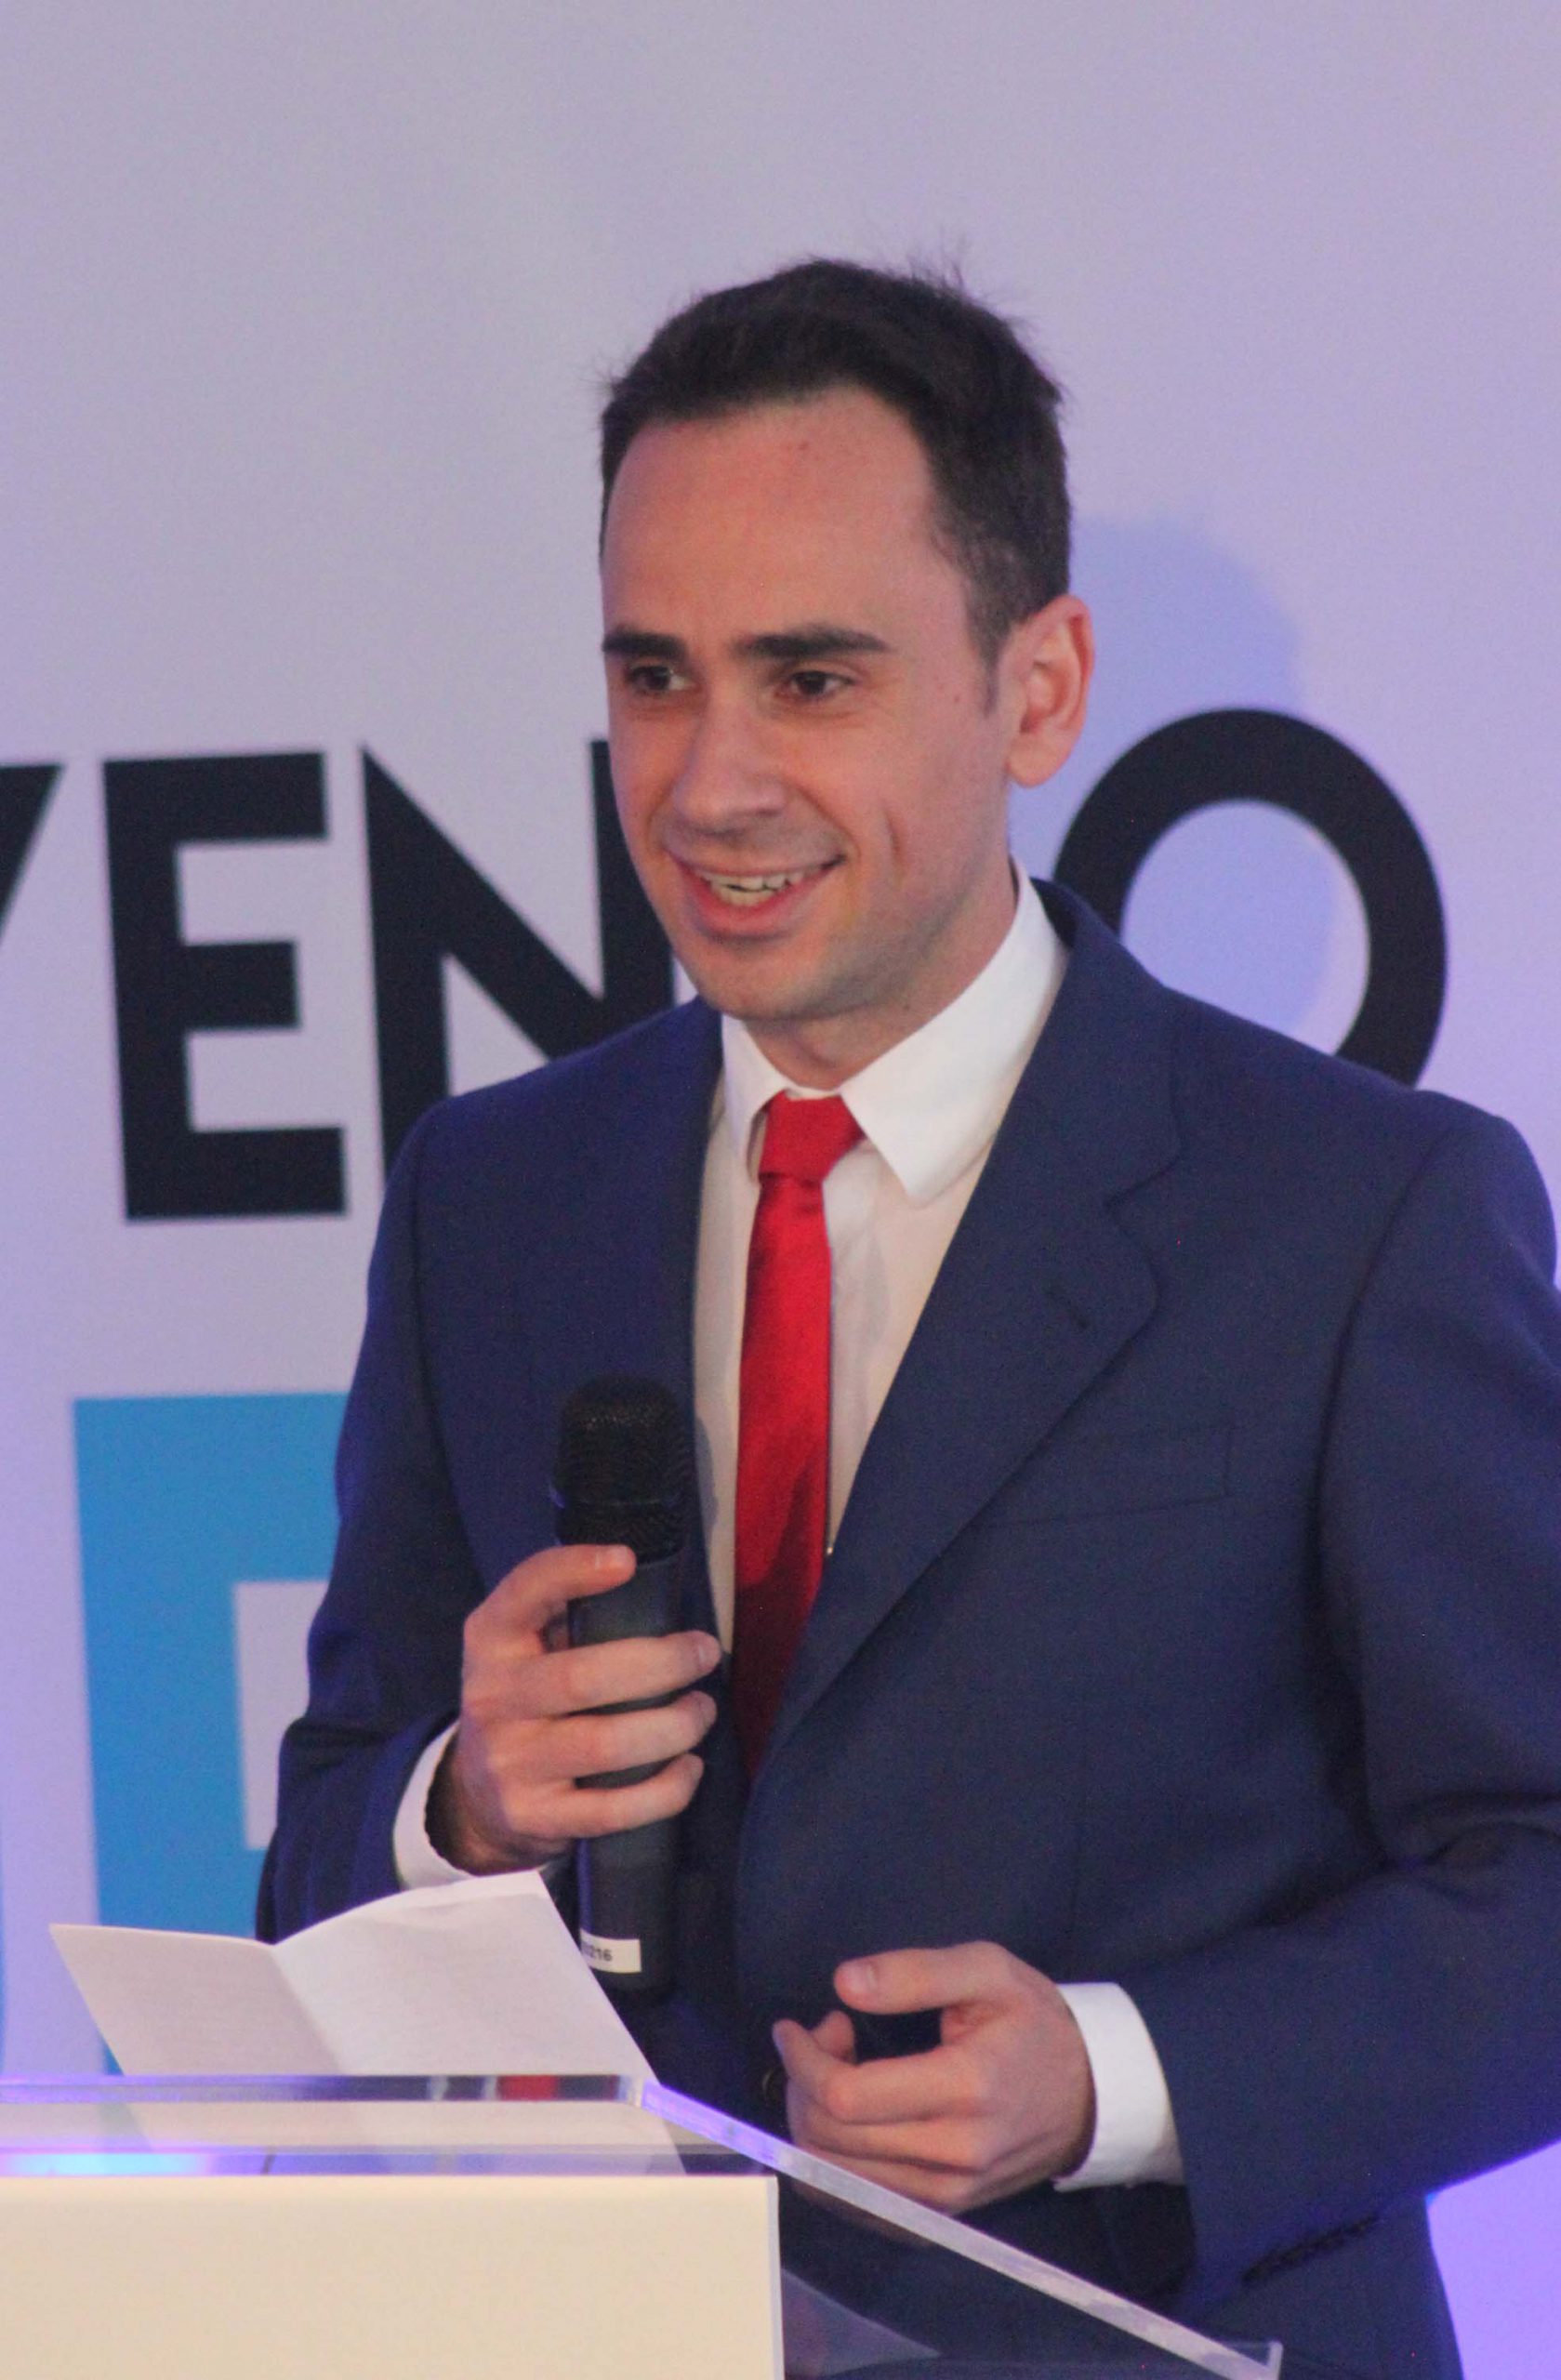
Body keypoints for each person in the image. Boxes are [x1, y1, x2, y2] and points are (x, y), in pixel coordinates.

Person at [261, 260, 1561, 2376]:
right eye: (657, 675)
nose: (711, 782)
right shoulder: (489, 1200)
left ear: (1037, 692)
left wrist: (1118, 2074)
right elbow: (324, 1851)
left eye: (812, 678)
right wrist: (462, 1806)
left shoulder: (1360, 1213)